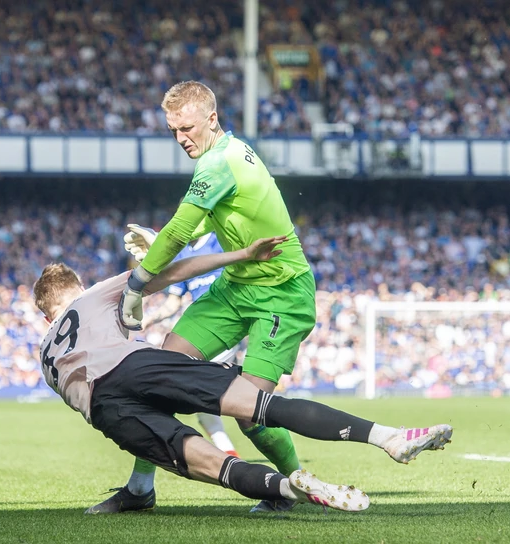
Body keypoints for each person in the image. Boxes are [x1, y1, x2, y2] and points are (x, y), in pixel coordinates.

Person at [34, 239, 453, 515]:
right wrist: (241, 255)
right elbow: (174, 272)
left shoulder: (44, 355)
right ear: (77, 287)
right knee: (261, 407)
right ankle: (388, 438)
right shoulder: (92, 295)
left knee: (217, 467)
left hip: (106, 410)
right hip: (136, 366)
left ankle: (286, 489)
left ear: (46, 315)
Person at [113, 80, 316, 513]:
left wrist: (138, 282)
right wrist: (160, 239)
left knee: (249, 412)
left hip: (282, 292)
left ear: (212, 118)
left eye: (187, 128)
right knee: (161, 373)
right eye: (173, 130)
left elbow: (182, 229)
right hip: (236, 286)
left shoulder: (218, 163)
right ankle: (140, 488)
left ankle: (295, 486)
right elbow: (206, 221)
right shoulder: (228, 152)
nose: (180, 138)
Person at [135, 231, 240, 458]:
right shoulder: (183, 255)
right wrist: (148, 319)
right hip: (200, 331)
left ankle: (159, 453)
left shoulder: (219, 240)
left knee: (176, 386)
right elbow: (173, 303)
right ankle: (229, 454)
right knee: (210, 402)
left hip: (225, 327)